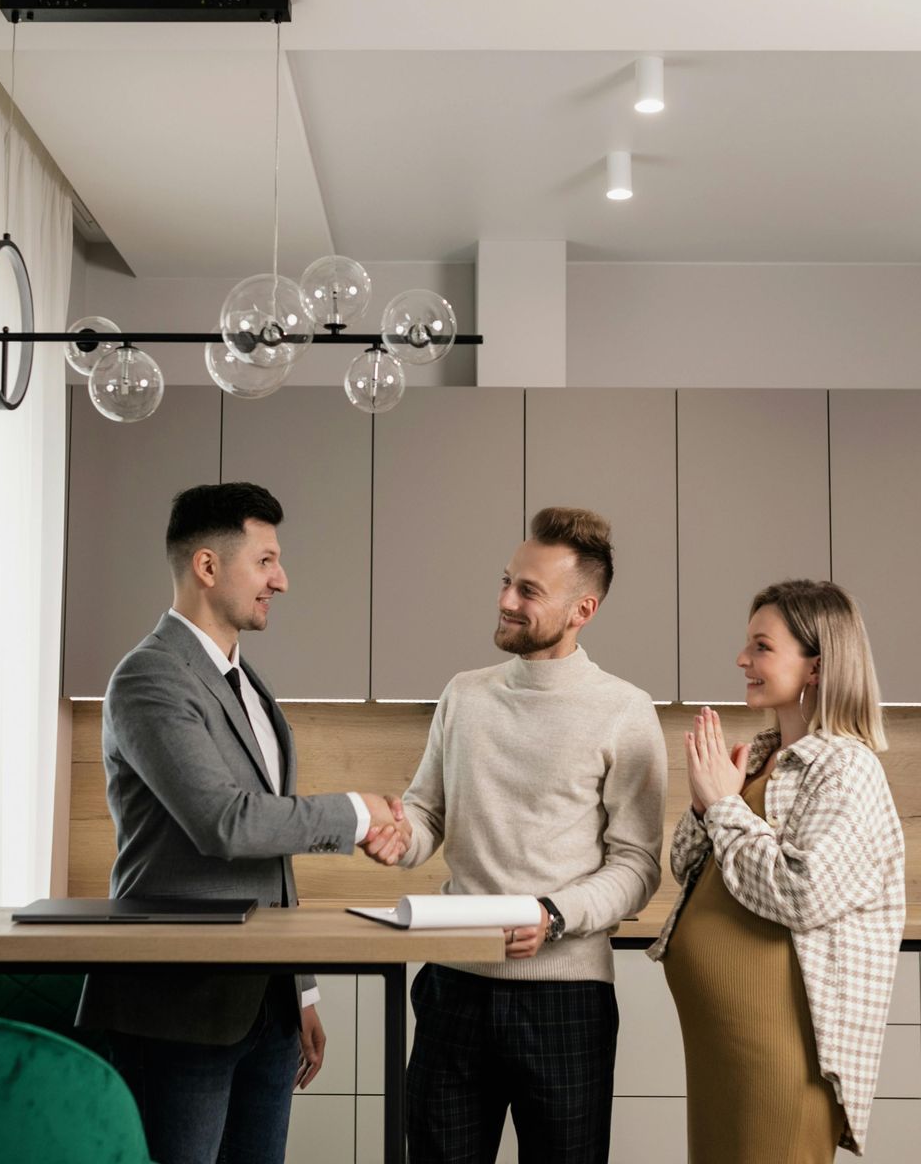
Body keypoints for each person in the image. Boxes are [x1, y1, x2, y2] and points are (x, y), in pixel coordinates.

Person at [77, 482, 407, 1164]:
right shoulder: (151, 678)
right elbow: (225, 824)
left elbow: (270, 857)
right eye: (265, 561)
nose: (280, 581)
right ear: (207, 566)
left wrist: (301, 990)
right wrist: (355, 811)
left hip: (265, 1007)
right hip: (179, 1004)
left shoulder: (244, 681)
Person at [365, 506, 666, 1164]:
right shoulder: (464, 695)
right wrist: (397, 834)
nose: (505, 600)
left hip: (566, 997)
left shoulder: (625, 710)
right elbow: (427, 816)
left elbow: (639, 867)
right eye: (506, 581)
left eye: (528, 591)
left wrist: (554, 915)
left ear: (582, 609)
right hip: (453, 988)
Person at [649, 579, 906, 1161]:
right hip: (725, 1039)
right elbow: (685, 867)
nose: (743, 658)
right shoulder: (766, 757)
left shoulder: (847, 769)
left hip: (779, 1042)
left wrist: (722, 806)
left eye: (761, 647)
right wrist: (706, 803)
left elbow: (803, 893)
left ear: (815, 667)